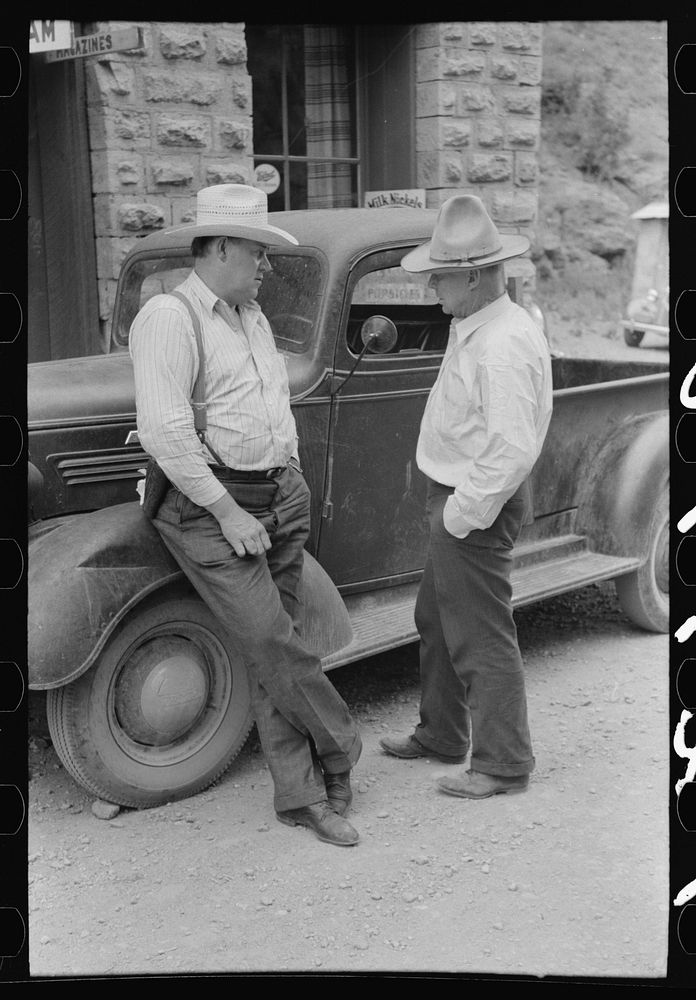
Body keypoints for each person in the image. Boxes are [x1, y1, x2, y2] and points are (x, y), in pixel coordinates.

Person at [129, 184, 362, 846]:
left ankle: (302, 793)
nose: (265, 266)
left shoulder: (250, 314)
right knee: (271, 640)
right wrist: (229, 511)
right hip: (213, 509)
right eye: (257, 253)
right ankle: (343, 746)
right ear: (222, 247)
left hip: (278, 494)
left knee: (278, 646)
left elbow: (259, 406)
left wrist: (287, 481)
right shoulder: (170, 318)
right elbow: (167, 433)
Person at [380, 194, 553, 799]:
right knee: (437, 617)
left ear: (475, 275)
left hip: (473, 501)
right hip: (463, 496)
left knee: (480, 633)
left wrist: (459, 514)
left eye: (441, 276)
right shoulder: (483, 324)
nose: (432, 287)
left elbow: (510, 447)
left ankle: (503, 764)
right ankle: (443, 733)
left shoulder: (501, 341)